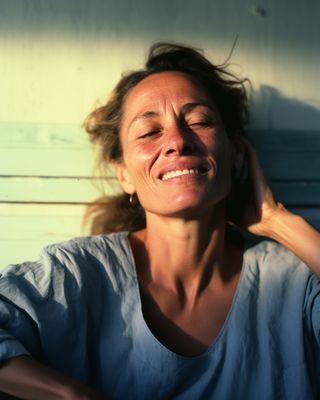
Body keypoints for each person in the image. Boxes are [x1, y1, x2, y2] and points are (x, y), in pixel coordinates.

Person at [0, 42, 319, 400]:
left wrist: (278, 221)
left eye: (199, 121)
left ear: (236, 154)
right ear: (124, 175)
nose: (178, 142)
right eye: (150, 131)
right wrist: (71, 394)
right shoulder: (76, 274)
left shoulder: (297, 281)